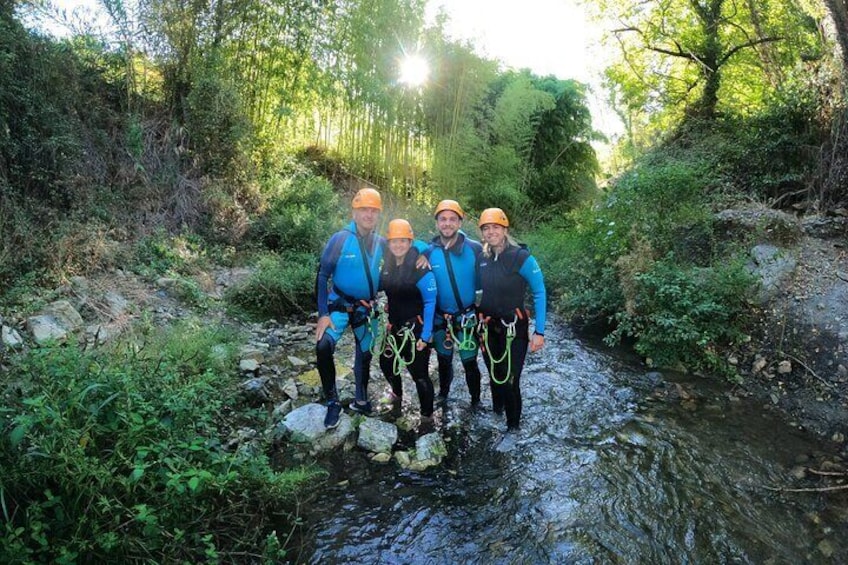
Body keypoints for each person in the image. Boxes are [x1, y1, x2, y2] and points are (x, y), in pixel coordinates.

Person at [315, 187, 385, 429]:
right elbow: (322, 275)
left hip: (367, 309)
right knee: (323, 346)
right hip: (339, 305)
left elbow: (403, 251)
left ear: (378, 215)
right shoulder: (340, 239)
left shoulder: (380, 242)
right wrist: (323, 314)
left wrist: (423, 254)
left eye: (373, 211)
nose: (368, 214)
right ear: (354, 213)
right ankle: (332, 401)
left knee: (365, 354)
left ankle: (361, 400)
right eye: (363, 209)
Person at [475, 208, 546, 432]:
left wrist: (540, 332)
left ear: (505, 229)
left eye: (495, 227)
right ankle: (497, 413)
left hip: (514, 329)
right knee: (495, 375)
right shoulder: (483, 258)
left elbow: (540, 292)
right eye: (486, 228)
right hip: (488, 328)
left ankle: (513, 428)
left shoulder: (521, 257)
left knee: (510, 379)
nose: (491, 231)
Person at [377, 219, 438, 423]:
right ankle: (397, 394)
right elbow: (377, 286)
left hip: (415, 328)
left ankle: (427, 416)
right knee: (386, 363)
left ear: (410, 242)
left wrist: (426, 335)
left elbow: (430, 301)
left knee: (419, 374)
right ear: (389, 243)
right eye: (395, 241)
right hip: (394, 326)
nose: (399, 245)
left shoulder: (420, 267)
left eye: (403, 241)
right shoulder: (387, 265)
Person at [426, 199, 485, 407]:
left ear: (460, 222)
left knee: (470, 363)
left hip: (467, 316)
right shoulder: (429, 251)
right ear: (437, 223)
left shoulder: (475, 249)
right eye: (443, 219)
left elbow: (486, 281)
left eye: (452, 219)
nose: (447, 223)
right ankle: (443, 394)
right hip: (442, 317)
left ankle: (476, 401)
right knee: (443, 360)